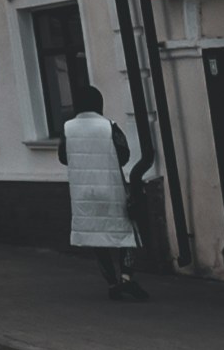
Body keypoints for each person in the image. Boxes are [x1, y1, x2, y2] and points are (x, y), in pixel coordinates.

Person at [59, 86, 154, 300]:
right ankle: (127, 280)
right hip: (110, 189)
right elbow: (124, 154)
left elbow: (63, 157)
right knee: (127, 233)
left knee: (96, 237)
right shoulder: (109, 127)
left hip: (82, 192)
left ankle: (112, 283)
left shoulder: (67, 129)